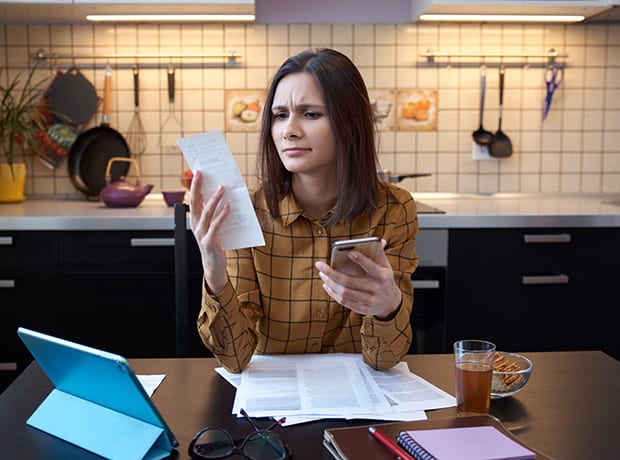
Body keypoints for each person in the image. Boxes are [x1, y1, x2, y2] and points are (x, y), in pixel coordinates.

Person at [189, 48, 419, 373]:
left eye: (310, 114)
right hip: (274, 405)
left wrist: (387, 308)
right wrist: (214, 271)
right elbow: (234, 359)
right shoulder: (249, 212)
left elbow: (384, 360)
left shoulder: (394, 210)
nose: (289, 130)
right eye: (280, 115)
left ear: (349, 123)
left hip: (358, 403)